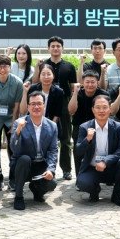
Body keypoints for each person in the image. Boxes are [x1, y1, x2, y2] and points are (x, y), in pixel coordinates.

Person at [74, 95, 120, 206]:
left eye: (104, 107)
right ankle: (94, 191)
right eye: (98, 107)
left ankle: (116, 195)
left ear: (110, 109)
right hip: (92, 168)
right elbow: (78, 151)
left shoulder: (118, 127)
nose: (101, 111)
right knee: (82, 183)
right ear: (93, 110)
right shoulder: (84, 127)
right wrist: (87, 139)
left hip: (111, 167)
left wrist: (105, 161)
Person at [10, 92, 59, 211]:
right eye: (33, 104)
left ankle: (37, 190)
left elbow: (53, 150)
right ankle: (18, 196)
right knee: (24, 159)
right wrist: (18, 131)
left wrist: (50, 169)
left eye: (39, 104)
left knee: (52, 184)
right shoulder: (19, 123)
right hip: (23, 165)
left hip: (41, 164)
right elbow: (14, 149)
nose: (36, 107)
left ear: (44, 106)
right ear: (28, 107)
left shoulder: (52, 126)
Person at [39, 36, 77, 181]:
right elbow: (37, 81)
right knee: (45, 137)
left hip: (64, 104)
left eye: (58, 46)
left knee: (66, 138)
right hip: (46, 102)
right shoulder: (44, 65)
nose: (55, 48)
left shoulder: (69, 66)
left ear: (62, 48)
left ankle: (66, 169)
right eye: (53, 46)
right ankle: (46, 168)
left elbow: (73, 88)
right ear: (48, 48)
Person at [68, 71, 109, 175]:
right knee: (78, 152)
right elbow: (71, 110)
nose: (90, 85)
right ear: (82, 82)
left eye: (92, 82)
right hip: (79, 127)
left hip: (98, 126)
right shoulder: (78, 93)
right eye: (87, 82)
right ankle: (79, 176)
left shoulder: (103, 95)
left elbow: (108, 112)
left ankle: (100, 174)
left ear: (97, 82)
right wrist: (75, 93)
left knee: (98, 151)